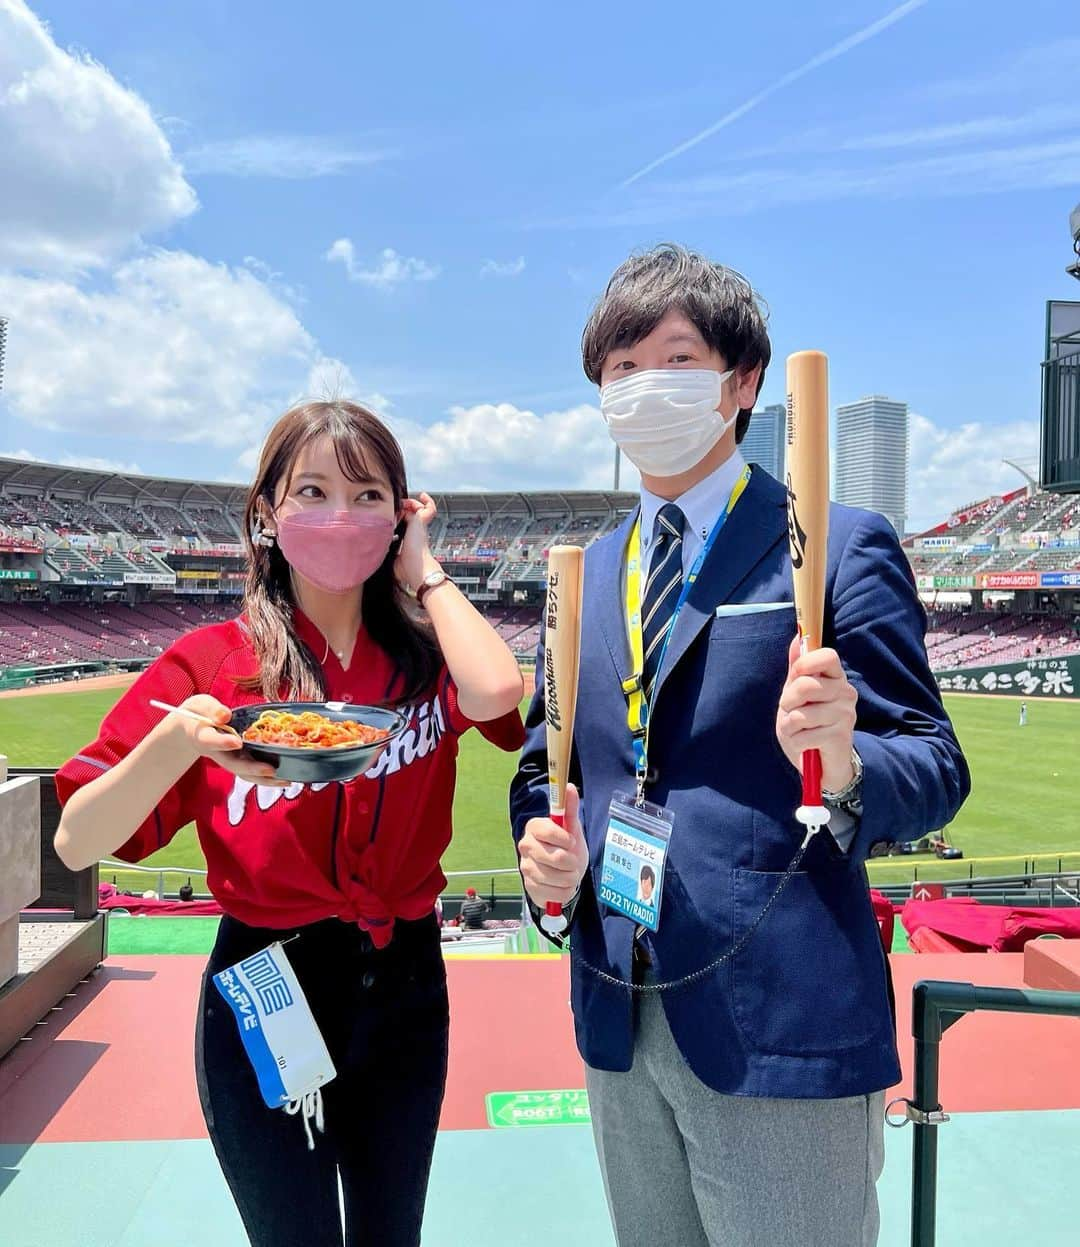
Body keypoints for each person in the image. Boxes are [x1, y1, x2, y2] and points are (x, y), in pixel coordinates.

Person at [510, 245, 970, 1247]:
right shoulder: (583, 574)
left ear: (741, 380)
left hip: (780, 1020)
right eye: (619, 369)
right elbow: (544, 767)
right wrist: (544, 855)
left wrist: (845, 757)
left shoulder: (838, 542)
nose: (642, 388)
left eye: (671, 359)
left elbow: (935, 762)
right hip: (620, 1011)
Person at [54, 400, 525, 1247]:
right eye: (311, 490)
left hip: (406, 983)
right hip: (264, 983)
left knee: (392, 1235)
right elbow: (77, 840)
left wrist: (425, 573)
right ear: (266, 513)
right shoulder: (211, 663)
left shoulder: (428, 656)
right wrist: (174, 740)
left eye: (369, 494)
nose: (341, 516)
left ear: (402, 514)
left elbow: (497, 694)